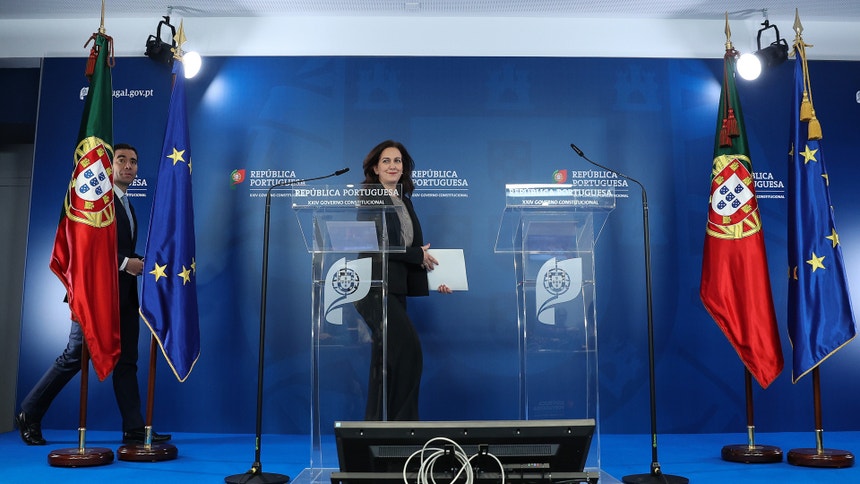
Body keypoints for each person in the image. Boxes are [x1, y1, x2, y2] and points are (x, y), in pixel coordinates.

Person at [16, 143, 171, 446]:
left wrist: (139, 261)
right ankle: (29, 412)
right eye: (121, 160)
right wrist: (126, 263)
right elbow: (87, 249)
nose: (129, 166)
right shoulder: (98, 201)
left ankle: (134, 428)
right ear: (109, 167)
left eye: (134, 161)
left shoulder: (127, 204)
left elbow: (117, 248)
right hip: (94, 296)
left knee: (127, 361)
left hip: (124, 295)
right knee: (75, 356)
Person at [354, 140, 452, 421]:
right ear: (375, 168)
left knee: (385, 362)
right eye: (386, 161)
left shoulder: (404, 201)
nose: (393, 165)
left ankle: (376, 429)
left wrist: (440, 277)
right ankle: (404, 426)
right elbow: (378, 245)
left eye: (397, 161)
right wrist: (417, 255)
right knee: (409, 353)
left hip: (395, 289)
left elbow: (414, 250)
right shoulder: (371, 198)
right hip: (374, 290)